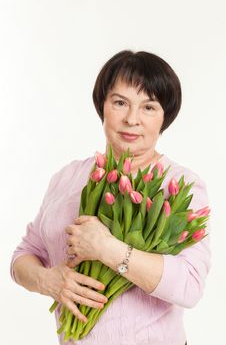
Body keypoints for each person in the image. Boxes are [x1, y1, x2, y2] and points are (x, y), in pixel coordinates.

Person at [10, 50, 211, 345]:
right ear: (102, 105)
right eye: (120, 103)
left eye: (149, 107)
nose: (132, 119)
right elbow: (23, 256)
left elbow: (190, 286)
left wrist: (107, 249)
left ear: (164, 117)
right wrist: (47, 280)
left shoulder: (181, 187)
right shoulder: (68, 177)